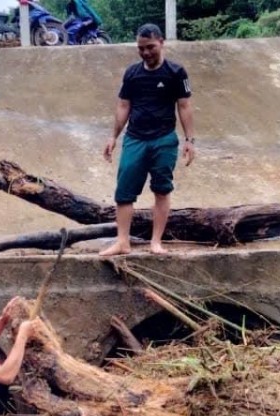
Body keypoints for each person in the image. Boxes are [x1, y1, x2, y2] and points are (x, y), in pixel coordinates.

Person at [101, 23, 196, 257]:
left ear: (161, 42)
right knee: (124, 192)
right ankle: (122, 241)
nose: (145, 52)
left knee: (162, 190)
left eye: (150, 47)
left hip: (164, 139)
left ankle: (156, 242)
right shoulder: (132, 74)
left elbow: (184, 106)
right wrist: (113, 136)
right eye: (141, 48)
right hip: (135, 139)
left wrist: (190, 140)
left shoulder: (176, 72)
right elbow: (124, 105)